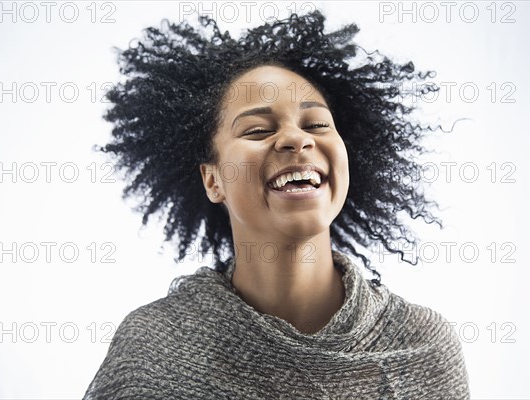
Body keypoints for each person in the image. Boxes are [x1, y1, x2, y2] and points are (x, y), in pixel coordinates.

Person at [84, 10, 470, 399]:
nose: (295, 139)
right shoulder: (155, 350)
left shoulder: (423, 348)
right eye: (258, 130)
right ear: (212, 180)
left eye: (317, 124)